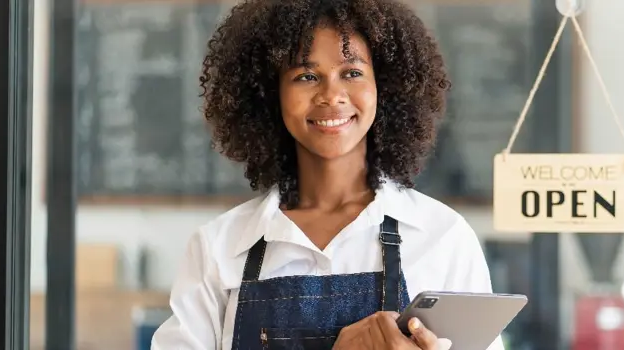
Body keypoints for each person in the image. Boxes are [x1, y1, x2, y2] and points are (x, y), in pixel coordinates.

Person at [150, 0, 504, 349]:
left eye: (352, 73)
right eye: (306, 76)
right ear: (271, 95)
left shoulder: (443, 238)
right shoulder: (218, 249)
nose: (332, 96)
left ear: (386, 86)